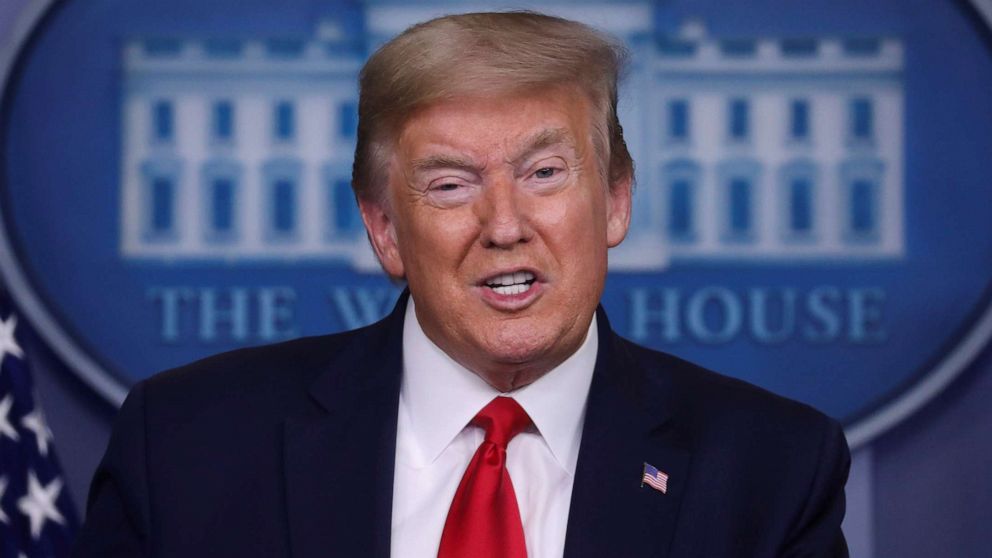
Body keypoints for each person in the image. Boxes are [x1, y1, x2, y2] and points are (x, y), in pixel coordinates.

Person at [72, 11, 850, 558]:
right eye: (449, 185)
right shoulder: (184, 445)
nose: (504, 224)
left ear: (615, 200)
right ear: (384, 229)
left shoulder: (769, 468)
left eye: (544, 173)